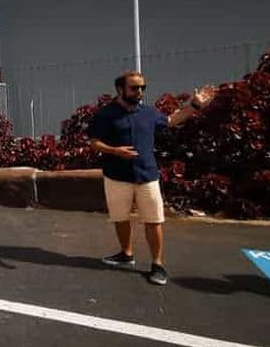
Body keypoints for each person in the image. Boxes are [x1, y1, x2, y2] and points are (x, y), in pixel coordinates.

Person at [88, 71, 215, 286]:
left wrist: (194, 105)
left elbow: (171, 120)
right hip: (117, 176)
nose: (140, 92)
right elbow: (94, 142)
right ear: (120, 89)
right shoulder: (105, 115)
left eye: (142, 88)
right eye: (134, 88)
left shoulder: (149, 113)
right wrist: (115, 151)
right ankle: (126, 254)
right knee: (120, 218)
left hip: (147, 175)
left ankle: (157, 265)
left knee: (153, 220)